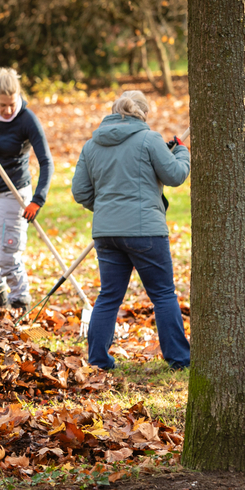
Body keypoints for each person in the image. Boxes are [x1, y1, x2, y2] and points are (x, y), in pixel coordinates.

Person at [71, 90, 191, 371]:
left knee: (109, 295)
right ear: (143, 114)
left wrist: (105, 210)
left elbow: (80, 191)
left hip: (106, 234)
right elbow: (174, 175)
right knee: (162, 294)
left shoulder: (92, 146)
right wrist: (182, 151)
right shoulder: (149, 140)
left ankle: (98, 360)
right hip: (146, 232)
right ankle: (179, 359)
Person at [0, 67, 54, 310]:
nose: (8, 110)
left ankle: (20, 304)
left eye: (12, 104)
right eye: (2, 105)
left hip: (14, 194)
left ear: (18, 97)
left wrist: (38, 199)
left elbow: (46, 161)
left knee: (8, 257)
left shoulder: (27, 119)